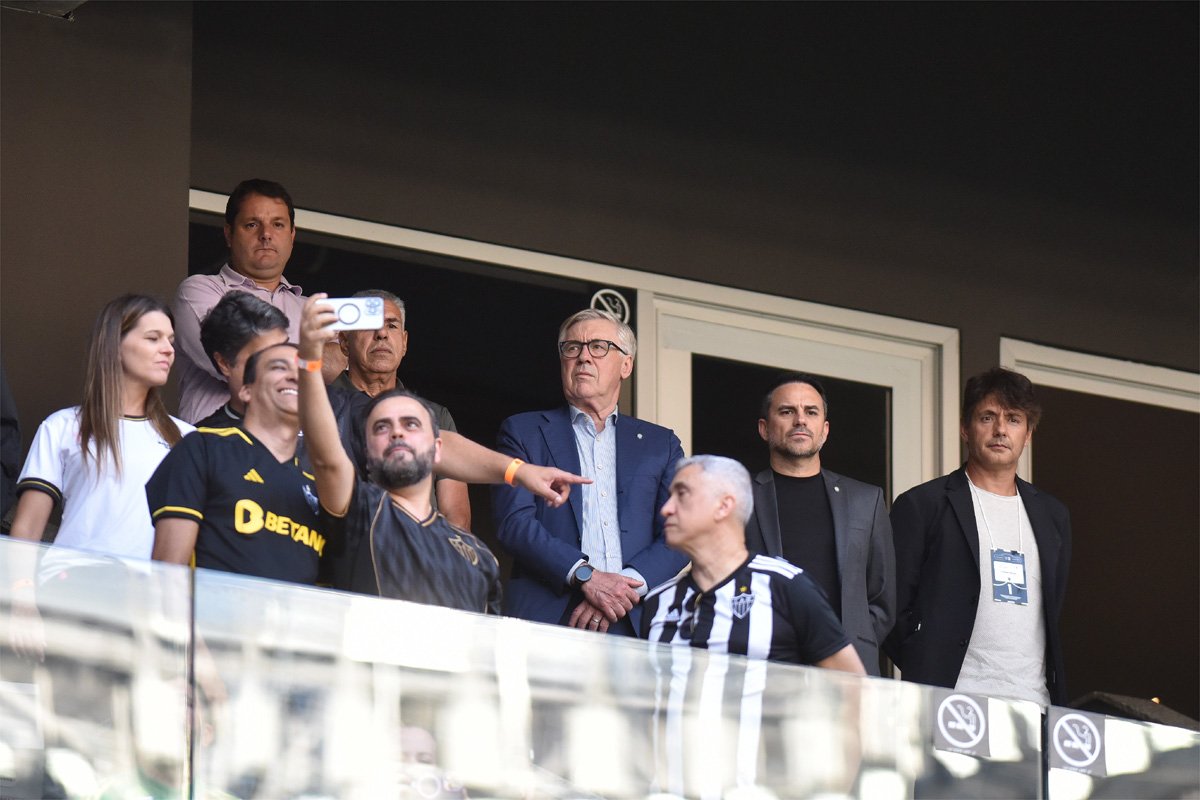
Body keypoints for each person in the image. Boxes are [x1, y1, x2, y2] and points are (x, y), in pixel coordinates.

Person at [296, 294, 585, 610]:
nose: (397, 433)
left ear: (436, 447)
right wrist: (309, 359)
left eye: (411, 425)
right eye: (381, 427)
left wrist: (520, 471)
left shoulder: (475, 557)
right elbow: (328, 460)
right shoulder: (360, 511)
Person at [8, 295, 191, 658]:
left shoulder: (187, 439)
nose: (167, 350)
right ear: (115, 344)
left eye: (171, 340)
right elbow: (27, 529)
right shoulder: (64, 426)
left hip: (151, 605)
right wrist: (21, 602)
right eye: (153, 338)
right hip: (73, 589)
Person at [492, 308, 688, 635]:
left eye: (598, 347)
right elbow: (514, 522)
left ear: (626, 364)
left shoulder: (661, 444)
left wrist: (622, 589)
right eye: (572, 348)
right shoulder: (523, 431)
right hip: (547, 618)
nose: (583, 357)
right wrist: (586, 576)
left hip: (637, 620)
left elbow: (681, 533)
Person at [884, 367, 1071, 706]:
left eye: (1014, 419)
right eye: (987, 417)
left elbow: (1053, 611)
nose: (1001, 429)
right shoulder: (923, 505)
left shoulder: (1053, 516)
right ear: (965, 429)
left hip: (1033, 704)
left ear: (1028, 434)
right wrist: (928, 666)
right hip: (951, 702)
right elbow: (890, 608)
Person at [642, 455, 866, 674]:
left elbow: (853, 687)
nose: (666, 509)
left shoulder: (787, 587)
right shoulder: (657, 601)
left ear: (723, 506)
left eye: (681, 494)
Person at [745, 373, 895, 674]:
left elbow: (882, 598)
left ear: (824, 430)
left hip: (845, 672)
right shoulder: (738, 497)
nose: (800, 420)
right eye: (787, 411)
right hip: (763, 668)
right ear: (764, 428)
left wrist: (845, 648)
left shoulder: (866, 500)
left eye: (811, 412)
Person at [148, 342, 327, 584]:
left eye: (303, 372)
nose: (294, 377)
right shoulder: (204, 448)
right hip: (211, 619)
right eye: (278, 367)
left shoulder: (320, 485)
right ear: (246, 391)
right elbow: (168, 570)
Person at [328, 289, 471, 531]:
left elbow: (456, 516)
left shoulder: (435, 416)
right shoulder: (318, 405)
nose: (382, 334)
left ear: (404, 342)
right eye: (369, 326)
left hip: (416, 559)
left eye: (391, 326)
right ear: (344, 342)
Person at [173, 178, 306, 423]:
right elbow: (239, 362)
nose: (266, 235)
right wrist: (317, 355)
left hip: (293, 456)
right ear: (229, 233)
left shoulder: (311, 308)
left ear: (292, 235)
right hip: (214, 450)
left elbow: (338, 380)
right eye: (252, 224)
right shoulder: (200, 291)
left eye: (277, 224)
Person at [193, 292, 290, 429]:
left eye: (286, 347)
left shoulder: (319, 415)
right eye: (266, 357)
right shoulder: (203, 442)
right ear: (224, 363)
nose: (286, 365)